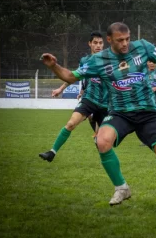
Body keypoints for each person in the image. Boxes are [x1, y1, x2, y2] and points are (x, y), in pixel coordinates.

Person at [40, 22, 156, 216]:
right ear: (109, 40)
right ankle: (122, 187)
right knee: (102, 140)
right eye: (119, 40)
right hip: (119, 112)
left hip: (147, 111)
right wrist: (53, 66)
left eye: (127, 39)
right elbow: (70, 76)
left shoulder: (143, 47)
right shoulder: (99, 60)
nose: (125, 44)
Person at [39, 31, 108, 162]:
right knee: (71, 123)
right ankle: (52, 152)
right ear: (90, 44)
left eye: (100, 43)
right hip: (89, 99)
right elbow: (74, 76)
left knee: (103, 140)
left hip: (106, 103)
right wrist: (60, 88)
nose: (98, 45)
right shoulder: (85, 61)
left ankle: (98, 141)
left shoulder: (109, 60)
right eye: (95, 43)